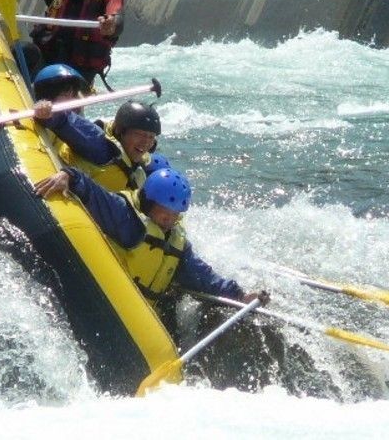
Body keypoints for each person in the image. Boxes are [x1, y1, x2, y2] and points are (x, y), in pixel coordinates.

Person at [34, 166, 267, 309]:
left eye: (175, 215)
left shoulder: (176, 241)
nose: (169, 220)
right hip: (108, 302)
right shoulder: (127, 218)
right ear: (148, 204)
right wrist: (70, 176)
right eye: (164, 213)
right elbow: (96, 196)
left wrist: (239, 295)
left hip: (145, 312)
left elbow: (202, 275)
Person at [33, 97, 164, 192]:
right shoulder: (98, 144)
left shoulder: (140, 160)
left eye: (151, 137)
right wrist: (48, 113)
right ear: (120, 130)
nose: (146, 142)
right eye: (139, 134)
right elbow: (65, 121)